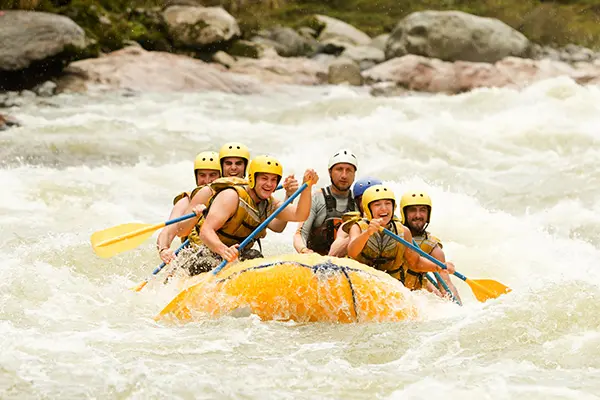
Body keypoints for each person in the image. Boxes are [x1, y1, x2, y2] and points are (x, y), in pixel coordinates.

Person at [176, 155, 318, 274]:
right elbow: (206, 232)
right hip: (205, 253)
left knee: (255, 257)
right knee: (205, 262)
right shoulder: (231, 196)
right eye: (264, 178)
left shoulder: (269, 203)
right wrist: (224, 251)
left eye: (274, 179)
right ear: (252, 178)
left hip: (232, 256)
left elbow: (300, 215)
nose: (269, 184)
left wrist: (307, 187)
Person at [347, 184, 455, 286]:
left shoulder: (403, 231)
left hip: (390, 287)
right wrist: (367, 233)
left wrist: (439, 267)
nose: (384, 208)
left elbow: (415, 263)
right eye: (377, 204)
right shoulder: (358, 228)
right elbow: (352, 252)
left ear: (393, 207)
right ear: (368, 209)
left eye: (388, 203)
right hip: (362, 283)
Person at [156, 151, 221, 264]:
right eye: (202, 175)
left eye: (212, 175)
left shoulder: (228, 197)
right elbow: (168, 231)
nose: (207, 181)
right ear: (196, 177)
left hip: (222, 252)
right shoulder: (186, 201)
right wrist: (163, 249)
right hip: (195, 257)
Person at [293, 149, 358, 256]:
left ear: (354, 174)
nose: (344, 175)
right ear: (330, 172)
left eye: (349, 170)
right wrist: (304, 250)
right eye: (339, 169)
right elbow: (300, 234)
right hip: (318, 260)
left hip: (348, 266)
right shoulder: (317, 198)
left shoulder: (359, 200)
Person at [400, 190, 461, 302]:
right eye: (413, 210)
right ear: (404, 213)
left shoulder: (432, 246)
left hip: (413, 295)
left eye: (422, 210)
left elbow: (446, 284)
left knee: (438, 294)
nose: (418, 215)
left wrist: (456, 307)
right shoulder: (394, 233)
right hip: (391, 290)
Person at [328, 176, 382, 257]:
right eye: (364, 199)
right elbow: (333, 254)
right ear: (357, 203)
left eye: (376, 200)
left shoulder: (395, 224)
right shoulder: (351, 225)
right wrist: (363, 232)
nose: (369, 203)